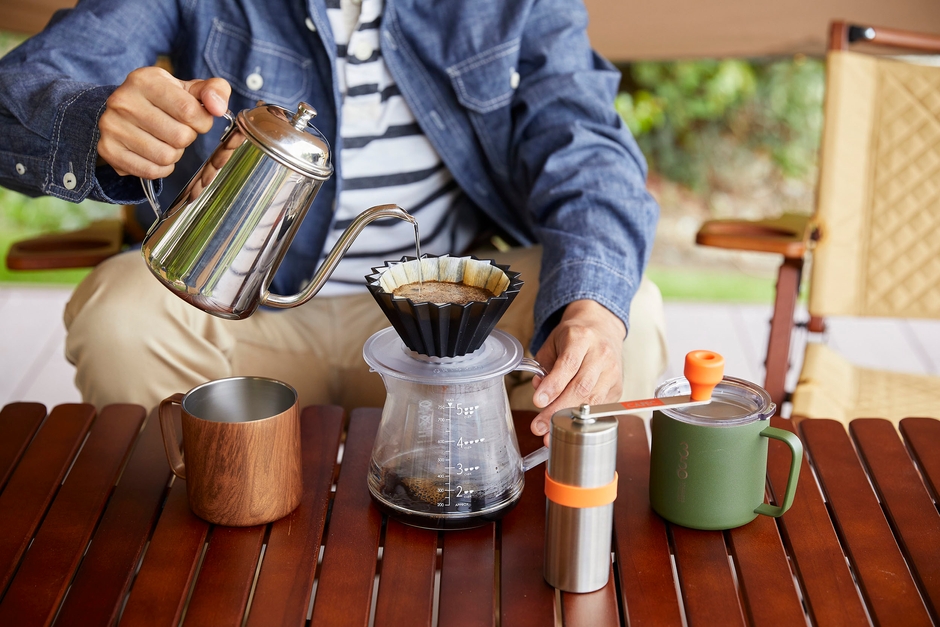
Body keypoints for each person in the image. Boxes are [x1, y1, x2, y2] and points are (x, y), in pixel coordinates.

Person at [0, 0, 667, 440]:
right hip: (248, 320)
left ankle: (529, 559)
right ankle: (200, 554)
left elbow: (584, 141)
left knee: (614, 308)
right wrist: (98, 120)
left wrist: (590, 312)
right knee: (120, 313)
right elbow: (18, 96)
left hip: (446, 321)